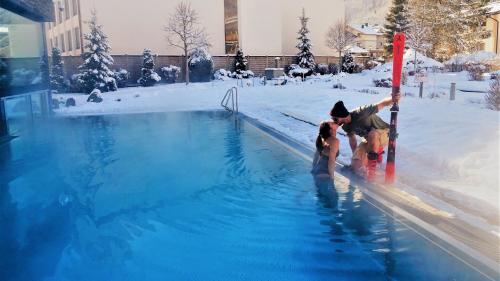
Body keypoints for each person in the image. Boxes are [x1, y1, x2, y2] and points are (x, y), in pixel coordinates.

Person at [329, 93, 401, 176]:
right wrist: (356, 156)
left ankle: (371, 173)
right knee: (356, 165)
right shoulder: (345, 126)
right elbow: (352, 140)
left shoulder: (361, 112)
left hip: (386, 133)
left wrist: (393, 99)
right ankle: (368, 165)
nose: (334, 121)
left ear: (341, 115)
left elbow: (382, 104)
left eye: (335, 118)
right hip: (370, 140)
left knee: (372, 134)